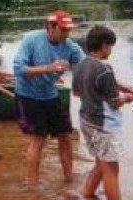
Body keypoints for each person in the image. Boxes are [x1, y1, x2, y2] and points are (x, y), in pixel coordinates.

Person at [71, 25, 133, 200]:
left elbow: (77, 93)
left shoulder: (80, 65)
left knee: (101, 163)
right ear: (104, 46)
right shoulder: (105, 69)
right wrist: (128, 97)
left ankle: (86, 194)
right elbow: (114, 102)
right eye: (111, 46)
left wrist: (123, 89)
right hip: (103, 126)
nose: (111, 50)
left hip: (86, 121)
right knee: (111, 168)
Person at [13, 10, 85, 184]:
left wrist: (117, 86)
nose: (66, 34)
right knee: (39, 138)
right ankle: (33, 184)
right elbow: (19, 70)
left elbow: (88, 67)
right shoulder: (32, 39)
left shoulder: (70, 47)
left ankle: (69, 180)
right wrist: (49, 68)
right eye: (63, 29)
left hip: (50, 94)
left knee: (65, 136)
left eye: (68, 30)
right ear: (50, 27)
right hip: (28, 94)